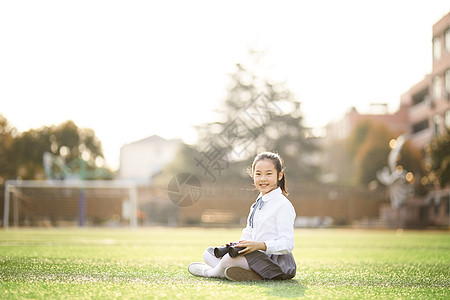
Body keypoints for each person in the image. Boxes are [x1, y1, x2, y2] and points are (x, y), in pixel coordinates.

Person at [188, 151, 297, 281]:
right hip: (253, 255)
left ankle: (210, 273)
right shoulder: (256, 205)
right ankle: (250, 274)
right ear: (253, 175)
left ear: (279, 175)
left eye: (268, 174)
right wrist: (238, 246)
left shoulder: (283, 205)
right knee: (209, 253)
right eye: (258, 174)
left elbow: (288, 243)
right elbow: (248, 233)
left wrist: (261, 245)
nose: (263, 179)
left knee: (228, 260)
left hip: (277, 263)